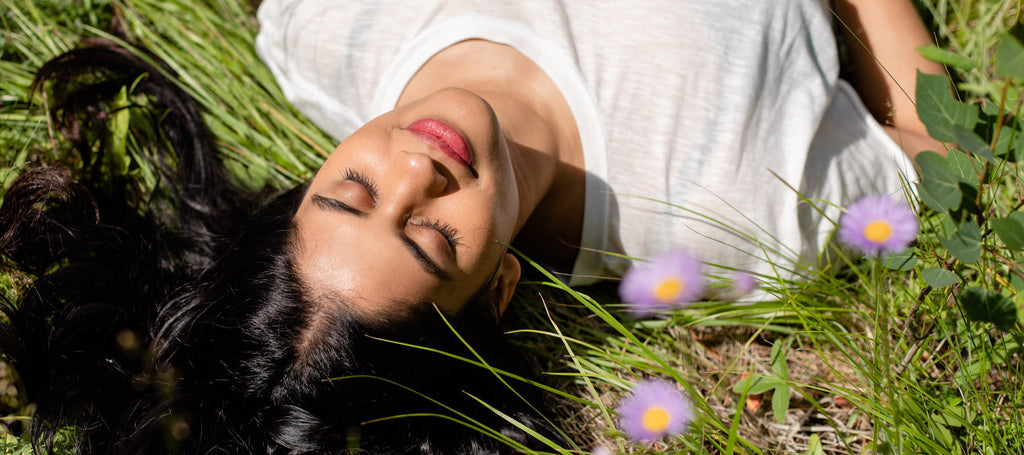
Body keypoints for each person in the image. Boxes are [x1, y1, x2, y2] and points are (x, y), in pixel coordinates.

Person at [0, 0, 945, 453]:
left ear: (303, 188)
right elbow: (934, 144)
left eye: (353, 192)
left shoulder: (316, 33)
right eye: (435, 237)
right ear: (499, 287)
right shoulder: (738, 204)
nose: (417, 164)